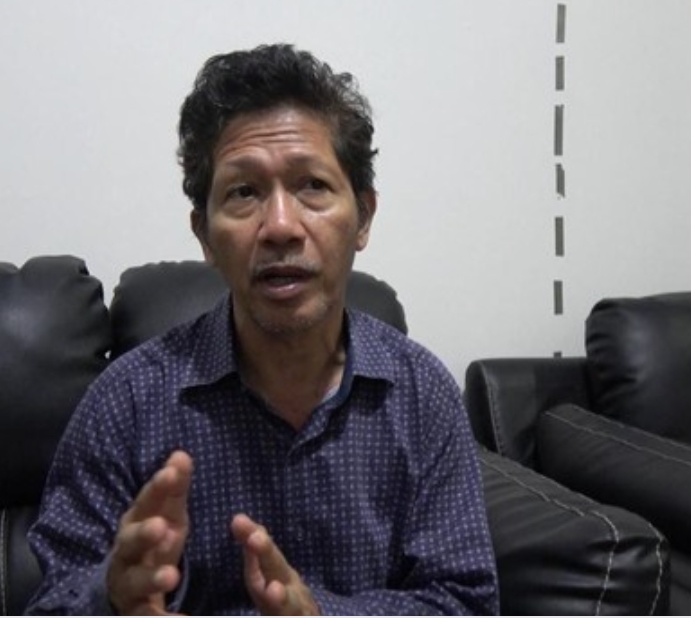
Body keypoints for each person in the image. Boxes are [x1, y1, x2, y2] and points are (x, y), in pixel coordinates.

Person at [26, 43, 498, 616]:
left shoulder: (422, 395)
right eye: (244, 192)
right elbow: (51, 601)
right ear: (205, 235)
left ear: (363, 218)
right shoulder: (126, 403)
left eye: (312, 186)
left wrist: (321, 616)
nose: (279, 226)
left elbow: (464, 602)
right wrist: (112, 599)